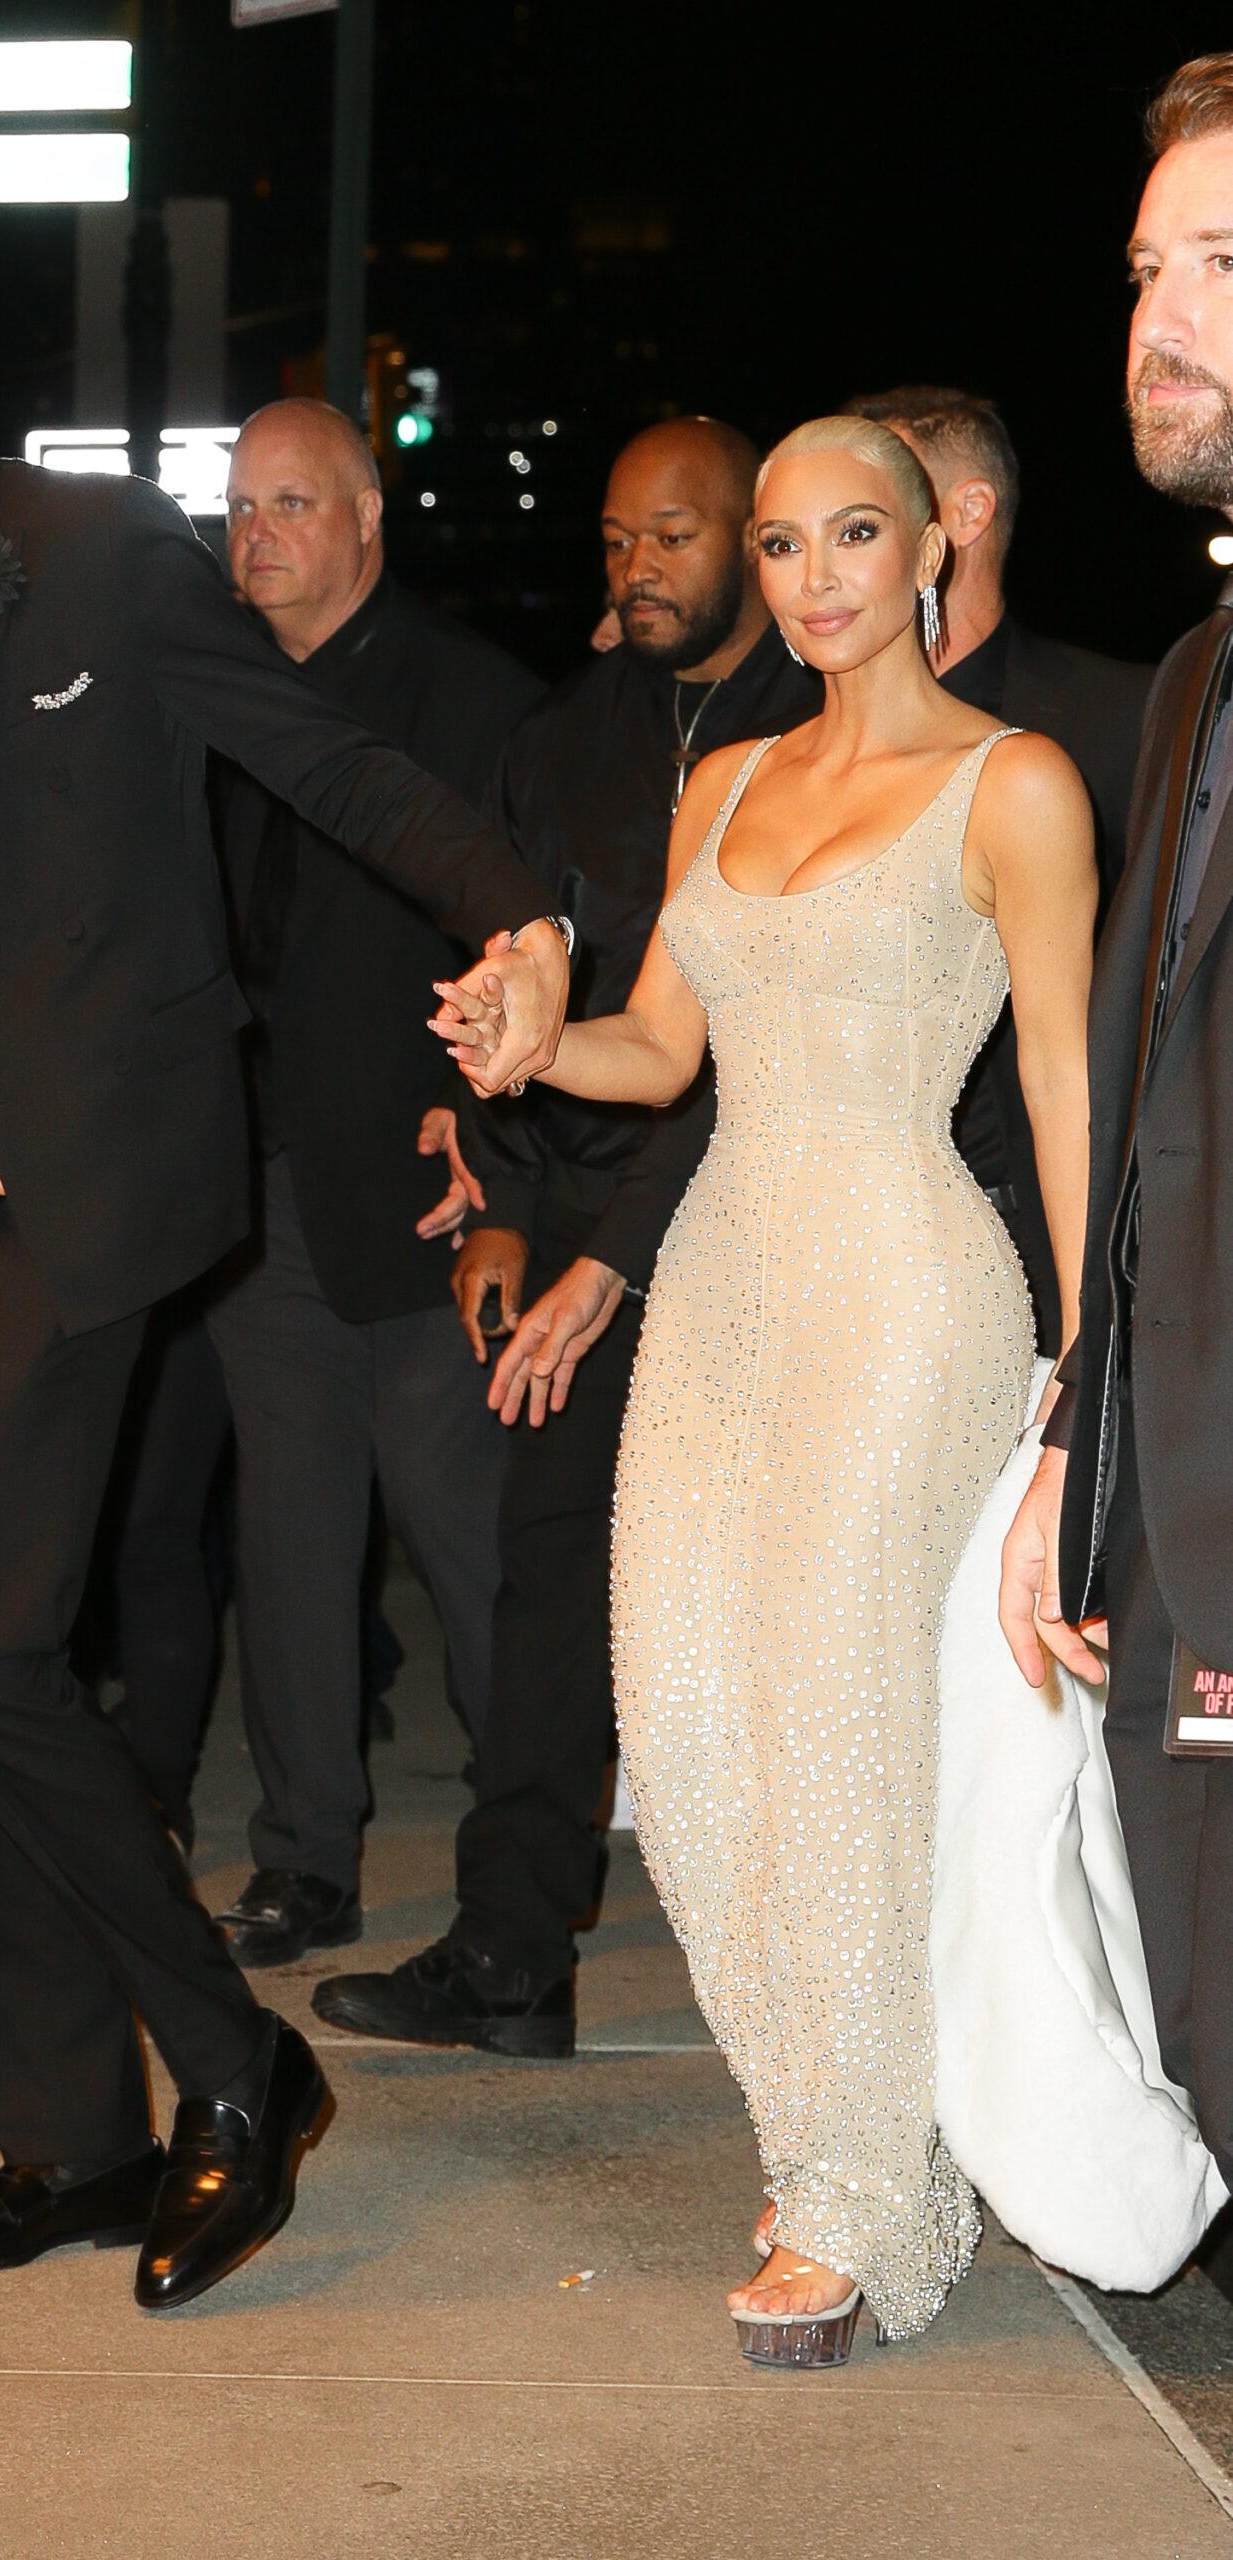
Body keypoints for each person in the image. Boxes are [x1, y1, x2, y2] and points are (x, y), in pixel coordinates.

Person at [0, 230, 569, 2308]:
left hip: (96, 1193)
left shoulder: (90, 552)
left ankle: (230, 2059)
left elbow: (326, 762)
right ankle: (67, 2137)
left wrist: (518, 911)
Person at [439, 415, 1095, 2358]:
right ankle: (835, 2114)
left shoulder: (1014, 782)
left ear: (927, 552)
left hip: (907, 1281)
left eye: (852, 535)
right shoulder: (716, 777)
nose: (814, 576)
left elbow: (1056, 1081)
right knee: (695, 1715)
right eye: (786, 541)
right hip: (724, 1279)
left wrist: (1083, 1365)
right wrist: (525, 1038)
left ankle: (849, 2184)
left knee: (835, 1722)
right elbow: (656, 1053)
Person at [316, 418, 819, 2055]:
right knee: (543, 1576)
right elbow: (525, 999)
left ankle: (809, 1979)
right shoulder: (562, 739)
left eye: (670, 537)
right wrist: (506, 1218)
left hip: (762, 1226)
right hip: (588, 1209)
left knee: (765, 1610)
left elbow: (762, 1040)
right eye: (612, 541)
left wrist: (605, 1250)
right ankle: (510, 1958)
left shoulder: (815, 727)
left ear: (749, 540)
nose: (634, 570)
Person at [203, 398, 543, 1965]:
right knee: (286, 1538)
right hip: (254, 1191)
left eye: (288, 502)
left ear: (363, 520)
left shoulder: (468, 702)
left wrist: (493, 1156)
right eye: (237, 507)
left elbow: (538, 936)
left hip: (429, 1204)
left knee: (463, 1539)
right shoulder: (203, 693)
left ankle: (521, 1860)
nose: (253, 533)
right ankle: (303, 1861)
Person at [1002, 53, 1233, 2201]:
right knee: (1194, 2004)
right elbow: (1154, 1097)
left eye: (1222, 262)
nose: (1156, 317)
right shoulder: (1185, 676)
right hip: (1171, 1502)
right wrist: (1075, 1454)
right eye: (1149, 263)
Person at [844, 384, 1152, 1350]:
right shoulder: (794, 745)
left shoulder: (1123, 719)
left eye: (869, 505)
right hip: (843, 1248)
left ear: (965, 513)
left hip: (1055, 1245)